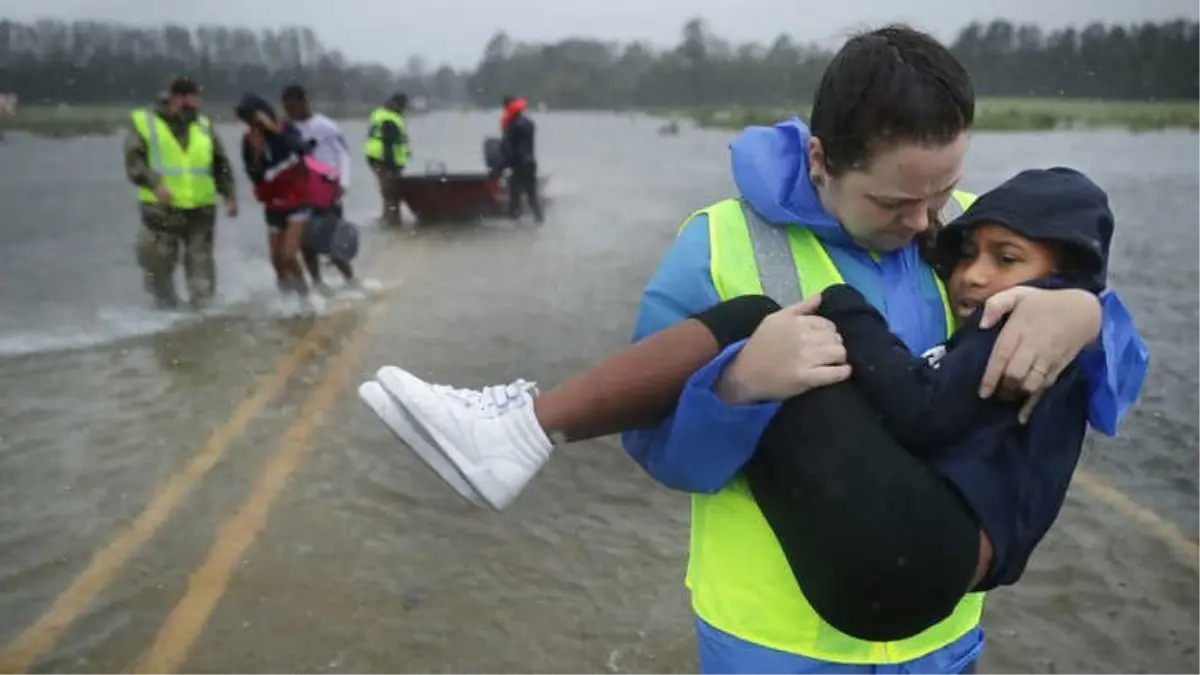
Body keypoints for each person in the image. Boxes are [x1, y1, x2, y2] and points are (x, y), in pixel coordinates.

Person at [357, 26, 1147, 674]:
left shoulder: (980, 239)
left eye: (942, 191)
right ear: (820, 161)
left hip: (937, 641)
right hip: (772, 645)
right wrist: (736, 389)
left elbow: (1112, 395)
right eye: (896, 200)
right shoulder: (718, 245)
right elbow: (657, 452)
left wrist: (1087, 314)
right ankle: (525, 431)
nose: (925, 220)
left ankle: (520, 426)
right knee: (745, 324)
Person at [124, 76, 237, 310]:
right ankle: (166, 311)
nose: (197, 105)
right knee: (158, 262)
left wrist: (229, 194)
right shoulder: (145, 122)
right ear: (178, 98)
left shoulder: (204, 125)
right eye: (194, 99)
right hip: (162, 208)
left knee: (200, 264)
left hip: (200, 208)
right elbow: (134, 162)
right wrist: (154, 183)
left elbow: (220, 163)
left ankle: (203, 315)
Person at [235, 93, 320, 302]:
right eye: (247, 121)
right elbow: (254, 176)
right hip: (274, 203)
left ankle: (306, 299)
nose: (253, 125)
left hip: (299, 199)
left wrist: (274, 132)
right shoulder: (249, 141)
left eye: (254, 119)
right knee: (276, 260)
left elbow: (304, 148)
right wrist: (255, 155)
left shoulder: (287, 129)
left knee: (289, 255)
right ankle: (286, 302)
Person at [280, 84, 359, 295]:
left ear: (304, 102)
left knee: (332, 238)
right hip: (301, 192)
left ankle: (351, 280)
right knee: (306, 242)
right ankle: (317, 282)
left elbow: (344, 155)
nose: (290, 112)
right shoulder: (287, 129)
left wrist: (344, 183)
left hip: (327, 190)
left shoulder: (326, 126)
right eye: (286, 108)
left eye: (293, 106)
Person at [365, 92, 410, 226]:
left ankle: (386, 219)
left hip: (375, 157)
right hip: (384, 159)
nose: (404, 109)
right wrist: (393, 167)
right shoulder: (390, 119)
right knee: (392, 192)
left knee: (388, 192)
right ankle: (393, 223)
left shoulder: (380, 113)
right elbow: (388, 145)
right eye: (404, 106)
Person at [499, 95, 543, 223]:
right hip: (531, 164)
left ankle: (514, 228)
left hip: (519, 165)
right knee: (532, 197)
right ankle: (539, 222)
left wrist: (502, 167)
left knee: (514, 198)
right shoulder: (529, 123)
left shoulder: (512, 125)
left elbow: (508, 148)